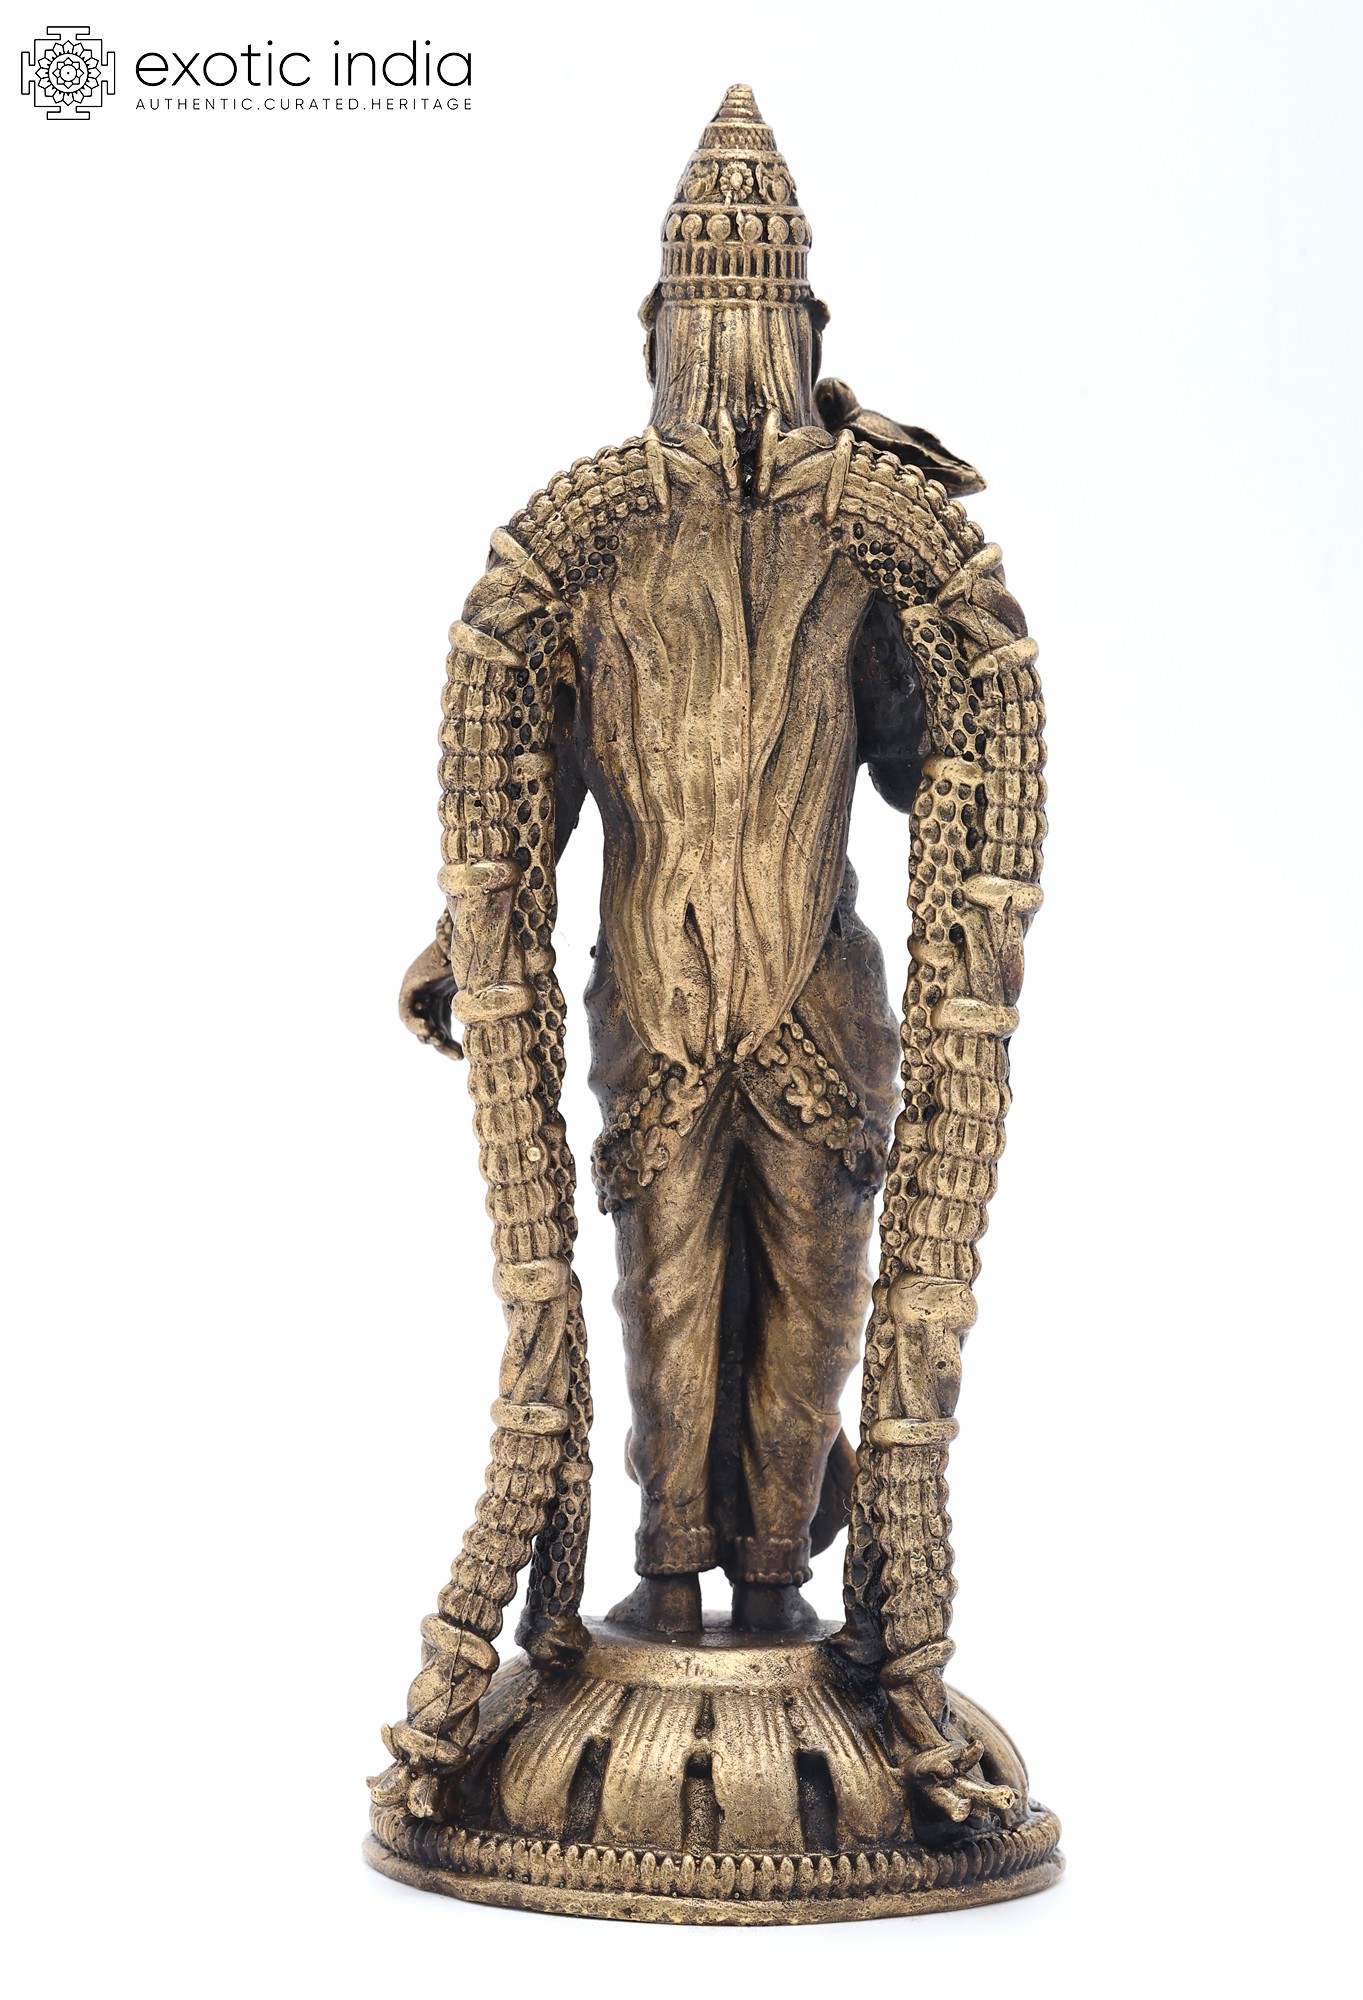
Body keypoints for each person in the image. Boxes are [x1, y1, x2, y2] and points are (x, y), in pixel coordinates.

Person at [399, 86, 987, 1636]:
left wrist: (939, 617)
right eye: (704, 330)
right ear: (657, 337)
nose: (727, 363)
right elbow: (528, 782)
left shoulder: (857, 545)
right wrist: (467, 928)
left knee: (815, 1301)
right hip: (652, 993)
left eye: (755, 330)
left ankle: (782, 1573)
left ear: (807, 336)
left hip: (820, 998)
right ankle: (667, 1580)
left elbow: (919, 768)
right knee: (664, 1297)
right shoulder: (597, 556)